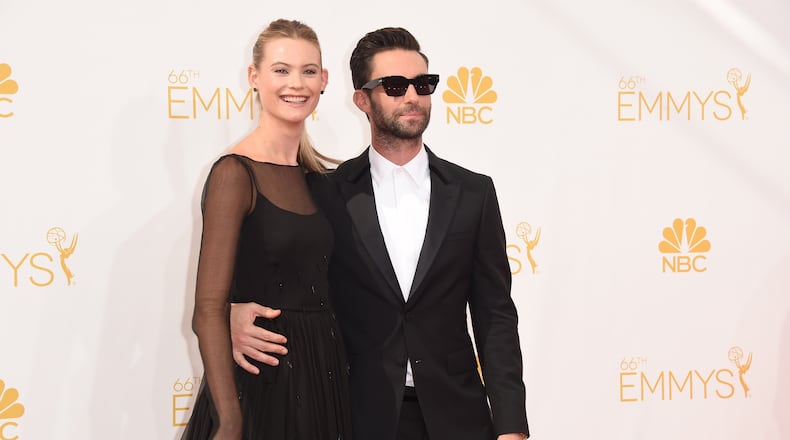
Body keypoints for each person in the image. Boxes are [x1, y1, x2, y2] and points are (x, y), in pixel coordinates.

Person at [231, 27, 529, 440]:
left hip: (460, 417)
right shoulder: (325, 193)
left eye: (422, 84)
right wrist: (233, 310)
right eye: (393, 86)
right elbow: (290, 280)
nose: (411, 96)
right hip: (357, 416)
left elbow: (495, 314)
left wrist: (512, 425)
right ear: (361, 99)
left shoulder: (473, 192)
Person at [181, 18, 352, 440]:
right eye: (281, 70)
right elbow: (206, 309)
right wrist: (229, 421)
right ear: (254, 77)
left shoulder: (321, 180)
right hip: (260, 383)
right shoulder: (234, 175)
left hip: (323, 380)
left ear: (324, 80)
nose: (296, 83)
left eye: (308, 71)